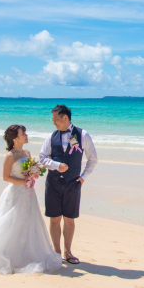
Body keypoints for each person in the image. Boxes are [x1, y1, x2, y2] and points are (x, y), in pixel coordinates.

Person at [0, 124, 62, 274]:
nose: (26, 135)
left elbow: (30, 169)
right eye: (23, 133)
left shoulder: (26, 152)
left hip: (28, 194)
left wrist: (34, 173)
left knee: (28, 222)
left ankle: (26, 252)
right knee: (11, 221)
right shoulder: (10, 156)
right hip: (16, 193)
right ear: (15, 138)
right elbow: (5, 177)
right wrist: (24, 181)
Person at [40, 104, 98, 265]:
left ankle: (68, 252)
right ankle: (56, 253)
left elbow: (93, 159)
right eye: (53, 120)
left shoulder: (83, 135)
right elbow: (42, 158)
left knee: (70, 219)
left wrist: (83, 176)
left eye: (56, 119)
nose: (54, 123)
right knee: (54, 219)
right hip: (53, 183)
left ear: (65, 118)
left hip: (73, 183)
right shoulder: (51, 137)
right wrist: (56, 165)